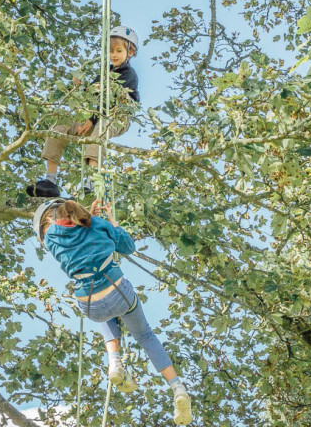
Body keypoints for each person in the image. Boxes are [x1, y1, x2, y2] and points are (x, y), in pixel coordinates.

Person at [33, 198, 193, 425]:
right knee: (145, 336)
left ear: (53, 220)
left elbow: (76, 238)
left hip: (89, 303)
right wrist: (112, 222)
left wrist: (89, 218)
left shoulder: (50, 239)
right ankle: (177, 387)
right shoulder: (98, 224)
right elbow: (128, 247)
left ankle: (114, 361)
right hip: (118, 290)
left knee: (105, 312)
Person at [27, 26, 140, 198]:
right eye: (110, 51)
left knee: (99, 129)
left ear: (130, 52)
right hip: (94, 115)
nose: (114, 55)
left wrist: (92, 119)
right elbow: (90, 95)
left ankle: (91, 182)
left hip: (117, 116)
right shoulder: (104, 74)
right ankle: (50, 179)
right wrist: (80, 88)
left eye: (118, 50)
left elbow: (110, 102)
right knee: (61, 124)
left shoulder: (129, 74)